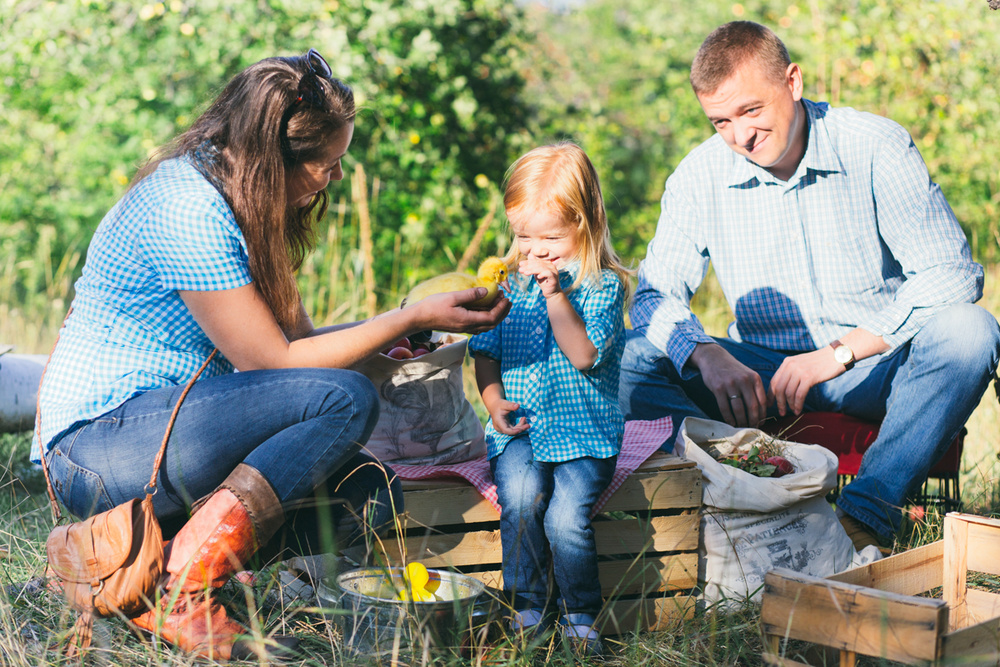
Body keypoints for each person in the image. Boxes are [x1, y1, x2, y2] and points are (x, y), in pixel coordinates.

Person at [31, 49, 510, 661]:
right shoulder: (188, 208)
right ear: (274, 160)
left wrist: (396, 344)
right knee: (345, 401)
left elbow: (303, 352)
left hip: (171, 431)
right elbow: (275, 365)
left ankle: (135, 570)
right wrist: (407, 314)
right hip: (98, 448)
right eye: (329, 164)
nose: (336, 178)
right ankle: (181, 589)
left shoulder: (246, 202)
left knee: (368, 491)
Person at [619, 21, 1000, 551]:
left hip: (874, 366)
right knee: (630, 355)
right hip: (760, 375)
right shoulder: (697, 176)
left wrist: (838, 354)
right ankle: (739, 498)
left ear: (793, 82)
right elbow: (654, 295)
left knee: (970, 332)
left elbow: (952, 272)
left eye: (751, 111)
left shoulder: (873, 145)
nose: (740, 137)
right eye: (720, 122)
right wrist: (705, 352)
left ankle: (863, 518)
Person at [468, 142, 631, 655]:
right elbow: (485, 349)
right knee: (519, 495)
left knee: (564, 516)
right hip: (520, 427)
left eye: (550, 238)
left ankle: (581, 615)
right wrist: (493, 398)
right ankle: (528, 605)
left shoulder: (601, 287)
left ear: (585, 225)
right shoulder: (510, 286)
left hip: (584, 435)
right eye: (522, 235)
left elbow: (583, 354)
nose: (534, 250)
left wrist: (556, 294)